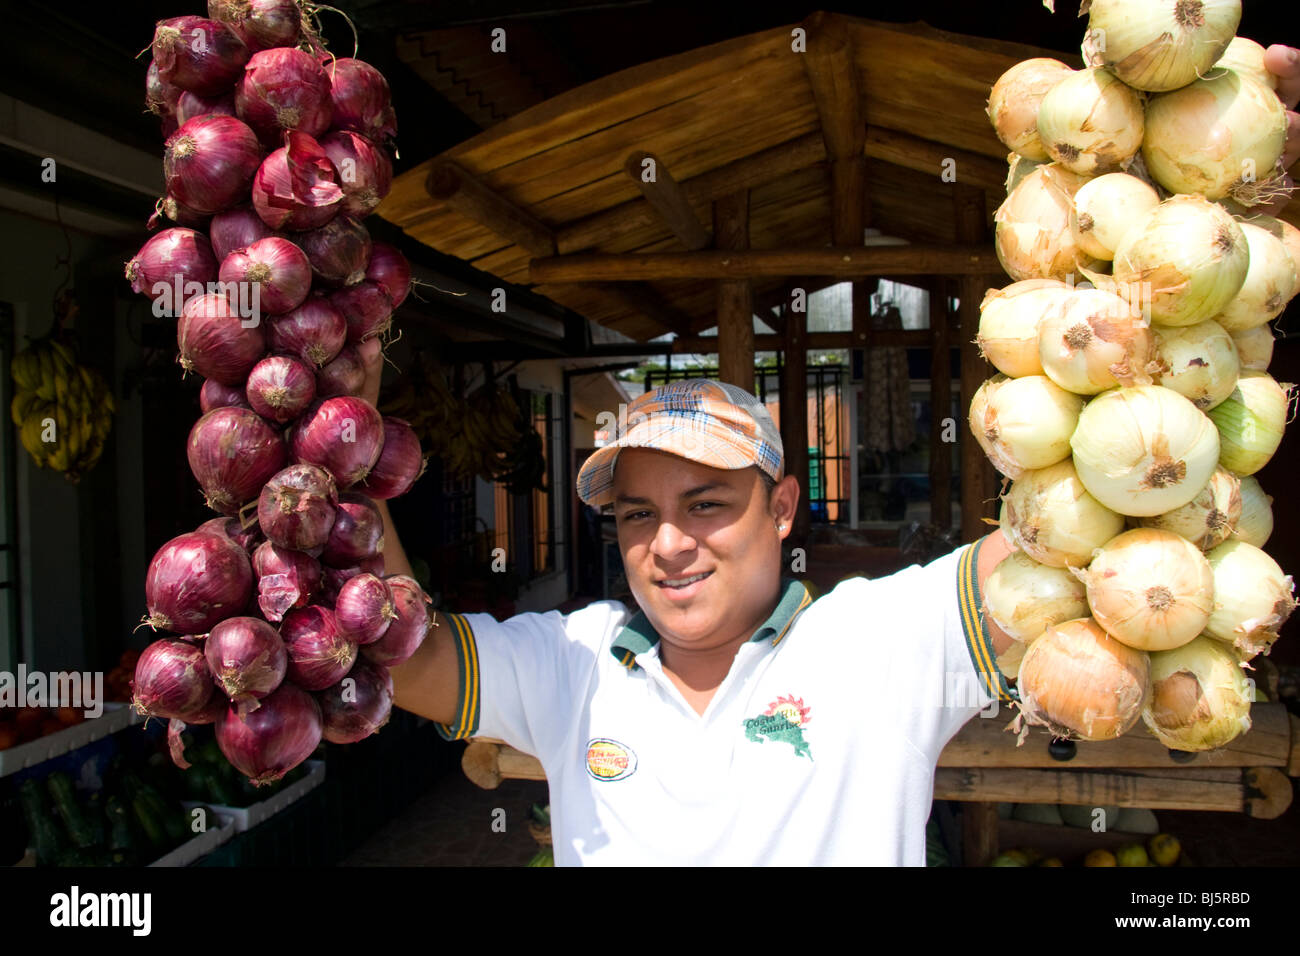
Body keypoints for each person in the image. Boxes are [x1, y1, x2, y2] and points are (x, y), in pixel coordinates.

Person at [356, 45, 1300, 865]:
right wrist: (349, 440)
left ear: (781, 508)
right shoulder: (572, 660)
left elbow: (1070, 534)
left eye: (708, 503)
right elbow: (408, 661)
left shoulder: (881, 642)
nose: (669, 542)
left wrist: (1201, 170)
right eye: (637, 513)